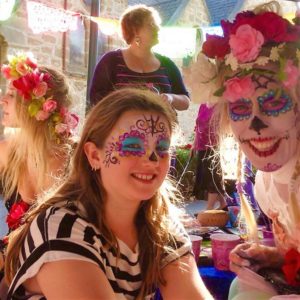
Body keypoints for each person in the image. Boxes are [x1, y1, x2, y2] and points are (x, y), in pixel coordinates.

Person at [5, 88, 212, 299]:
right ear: (94, 155)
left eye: (162, 148)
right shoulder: (63, 227)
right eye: (132, 146)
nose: (152, 159)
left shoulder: (161, 227)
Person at [194, 1, 300, 298]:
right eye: (241, 108)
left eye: (275, 103)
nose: (255, 124)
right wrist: (275, 257)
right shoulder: (268, 180)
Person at [0, 53, 79, 292]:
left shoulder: (75, 157)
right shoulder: (7, 152)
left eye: (12, 95)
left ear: (38, 106)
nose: (2, 99)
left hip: (62, 265)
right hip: (12, 261)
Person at [89, 4, 190, 111]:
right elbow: (96, 100)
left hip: (162, 126)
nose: (158, 28)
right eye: (151, 24)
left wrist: (171, 98)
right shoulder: (111, 61)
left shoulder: (167, 64)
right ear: (135, 30)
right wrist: (126, 101)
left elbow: (186, 101)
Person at [193, 103, 227, 210]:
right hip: (203, 145)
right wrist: (194, 144)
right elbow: (198, 125)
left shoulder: (221, 104)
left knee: (213, 177)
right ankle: (223, 204)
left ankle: (209, 208)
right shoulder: (203, 105)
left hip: (216, 145)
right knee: (207, 176)